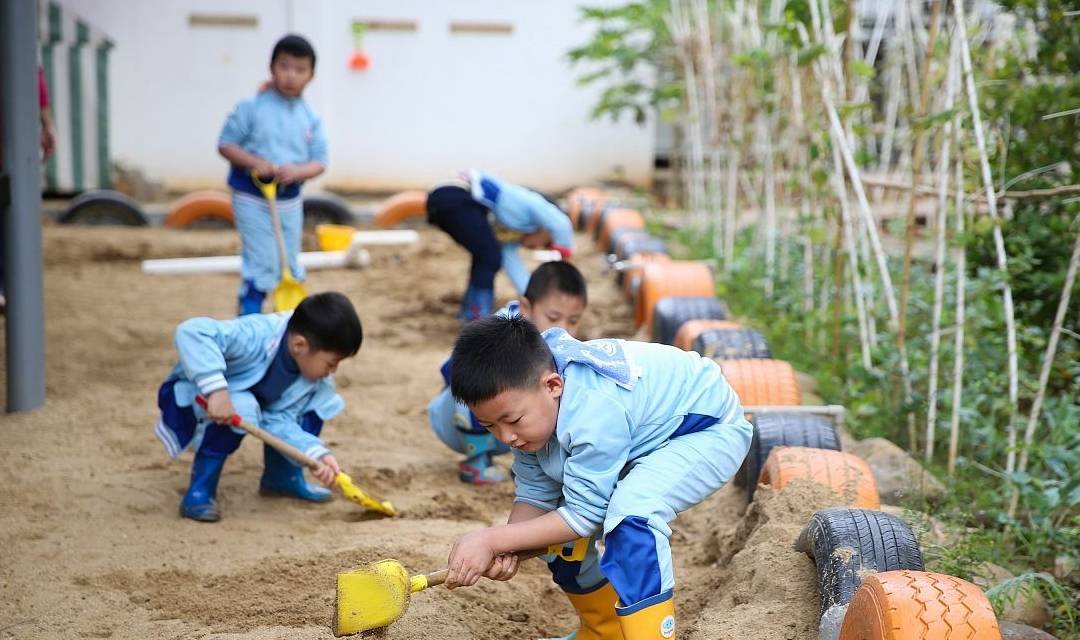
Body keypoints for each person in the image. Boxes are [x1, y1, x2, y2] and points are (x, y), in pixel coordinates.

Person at [443, 316, 753, 640]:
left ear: (552, 385)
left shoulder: (593, 409)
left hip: (706, 431)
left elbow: (585, 516)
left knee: (632, 517)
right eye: (491, 426)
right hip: (637, 440)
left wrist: (490, 539)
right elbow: (535, 495)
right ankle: (603, 632)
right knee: (556, 538)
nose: (506, 437)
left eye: (512, 420)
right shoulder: (531, 416)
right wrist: (508, 548)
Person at [154, 292, 362, 522]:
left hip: (259, 404)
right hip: (205, 395)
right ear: (299, 345)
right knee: (241, 407)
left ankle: (282, 478)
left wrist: (314, 453)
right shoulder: (254, 334)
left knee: (319, 402)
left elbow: (279, 421)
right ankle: (201, 490)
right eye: (331, 363)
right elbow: (192, 331)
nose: (333, 371)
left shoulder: (311, 377)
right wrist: (216, 389)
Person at [429, 261, 587, 485]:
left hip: (507, 423)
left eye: (573, 321)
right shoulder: (501, 332)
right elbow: (452, 370)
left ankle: (534, 463)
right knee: (486, 391)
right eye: (553, 318)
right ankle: (477, 461)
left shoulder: (560, 344)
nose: (563, 328)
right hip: (456, 418)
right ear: (525, 307)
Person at [218, 34, 327, 315]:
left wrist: (298, 171)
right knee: (260, 262)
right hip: (251, 195)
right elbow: (226, 144)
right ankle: (249, 318)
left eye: (300, 69)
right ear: (272, 68)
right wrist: (254, 162)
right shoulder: (252, 108)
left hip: (289, 199)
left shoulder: (310, 117)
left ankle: (287, 323)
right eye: (284, 66)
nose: (291, 76)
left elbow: (320, 161)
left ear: (311, 75)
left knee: (288, 261)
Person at [426, 170, 574, 321]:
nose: (537, 247)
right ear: (545, 228)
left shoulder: (510, 232)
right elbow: (561, 223)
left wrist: (537, 299)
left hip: (447, 203)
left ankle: (470, 313)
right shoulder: (530, 202)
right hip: (454, 195)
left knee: (486, 256)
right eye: (546, 244)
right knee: (488, 257)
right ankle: (476, 318)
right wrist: (564, 262)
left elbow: (515, 269)